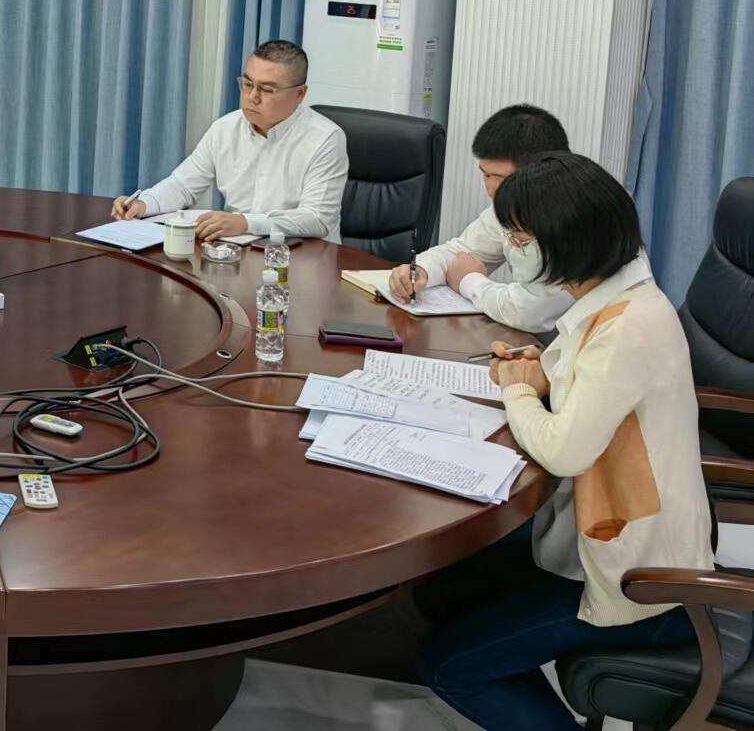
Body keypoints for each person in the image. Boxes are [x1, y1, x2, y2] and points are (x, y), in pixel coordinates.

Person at [416, 153, 712, 731]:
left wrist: (518, 391)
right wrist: (540, 373)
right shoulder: (612, 300)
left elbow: (564, 451)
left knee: (446, 665)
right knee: (442, 588)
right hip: (591, 536)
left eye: (521, 239)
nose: (513, 251)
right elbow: (591, 386)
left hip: (640, 580)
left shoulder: (628, 327)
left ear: (567, 241)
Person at [112, 40, 348, 243]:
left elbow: (317, 218)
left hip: (305, 257)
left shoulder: (325, 139)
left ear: (299, 94)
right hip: (236, 250)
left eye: (267, 89)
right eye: (247, 84)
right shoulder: (225, 128)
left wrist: (245, 223)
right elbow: (182, 186)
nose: (252, 97)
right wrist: (145, 204)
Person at [390, 104, 575, 330]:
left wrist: (470, 281)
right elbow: (462, 251)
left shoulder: (570, 217)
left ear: (540, 173)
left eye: (501, 178)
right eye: (486, 175)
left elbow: (529, 312)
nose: (491, 190)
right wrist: (422, 270)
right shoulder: (510, 207)